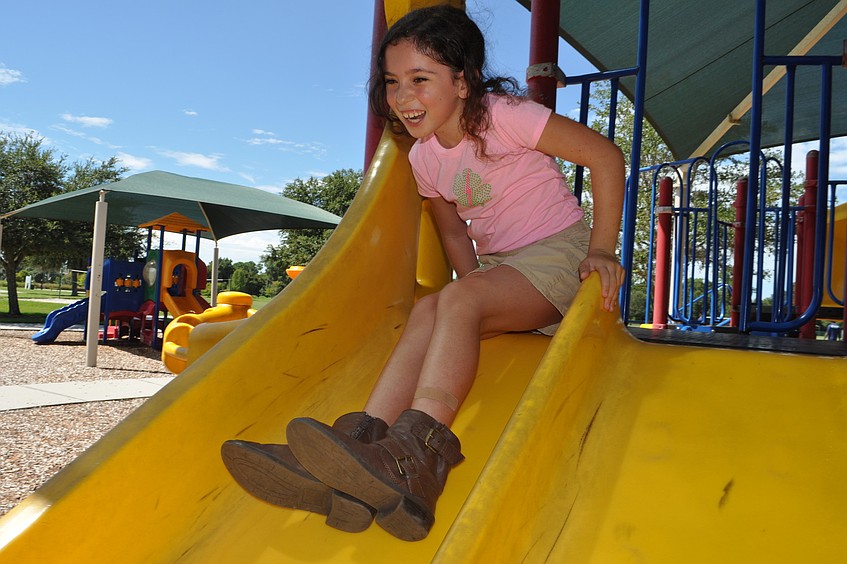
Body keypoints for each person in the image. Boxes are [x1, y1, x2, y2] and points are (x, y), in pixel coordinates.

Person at [221, 4, 626, 542]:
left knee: (456, 301)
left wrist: (601, 249)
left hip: (559, 255)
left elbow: (605, 157)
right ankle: (360, 448)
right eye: (392, 82)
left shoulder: (505, 116)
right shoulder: (424, 158)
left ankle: (420, 457)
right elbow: (454, 230)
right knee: (433, 306)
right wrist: (472, 287)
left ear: (464, 81)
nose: (403, 97)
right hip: (508, 270)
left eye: (420, 79)